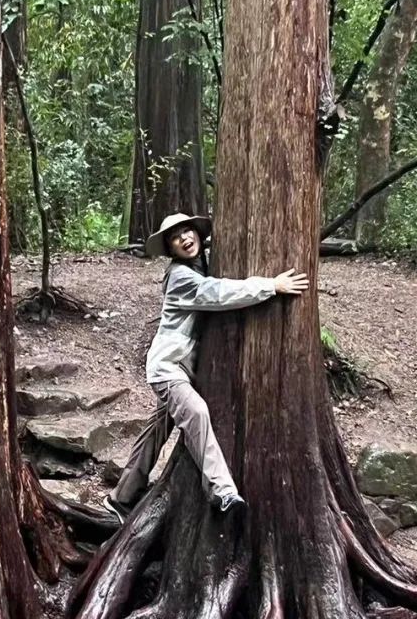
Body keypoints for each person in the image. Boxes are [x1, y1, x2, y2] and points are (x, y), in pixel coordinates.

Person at [107, 212, 309, 518]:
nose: (185, 239)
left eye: (188, 231)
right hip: (168, 369)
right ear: (170, 248)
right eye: (176, 238)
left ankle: (121, 498)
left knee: (156, 431)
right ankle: (223, 491)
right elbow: (218, 293)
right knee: (197, 412)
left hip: (186, 369)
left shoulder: (203, 263)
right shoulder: (180, 277)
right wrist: (271, 285)